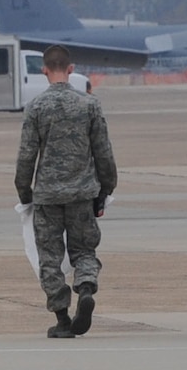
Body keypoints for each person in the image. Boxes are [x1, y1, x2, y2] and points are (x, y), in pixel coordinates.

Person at [15, 44, 117, 339]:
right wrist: (106, 189)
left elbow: (26, 157)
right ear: (71, 70)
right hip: (82, 195)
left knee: (49, 257)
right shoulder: (89, 105)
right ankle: (85, 288)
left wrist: (24, 194)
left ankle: (62, 318)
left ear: (44, 70)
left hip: (47, 197)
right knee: (84, 250)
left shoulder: (36, 107)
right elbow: (104, 153)